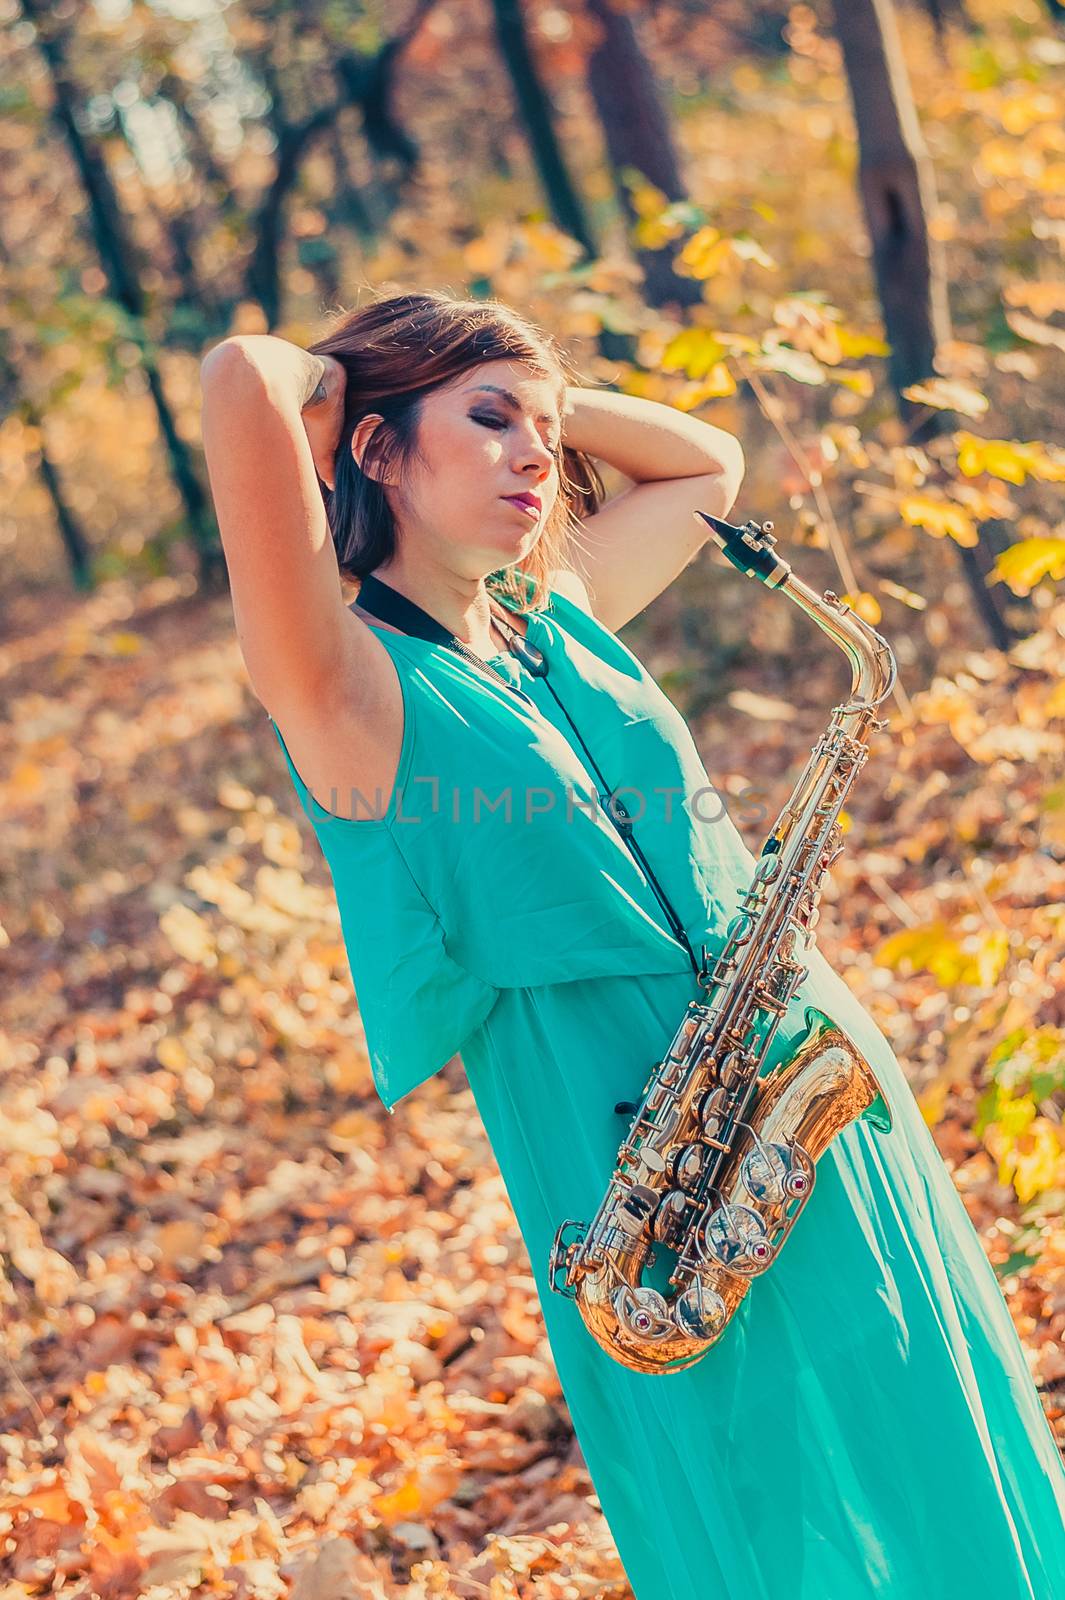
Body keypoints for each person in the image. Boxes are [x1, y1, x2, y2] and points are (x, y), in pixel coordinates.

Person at [199, 289, 1065, 1599]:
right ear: (372, 449)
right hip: (624, 1147)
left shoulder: (555, 616)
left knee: (915, 1406)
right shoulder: (343, 684)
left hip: (797, 1078)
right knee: (753, 1490)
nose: (536, 455)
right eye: (487, 424)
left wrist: (516, 389)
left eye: (544, 432)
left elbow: (704, 465)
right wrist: (340, 385)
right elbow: (233, 379)